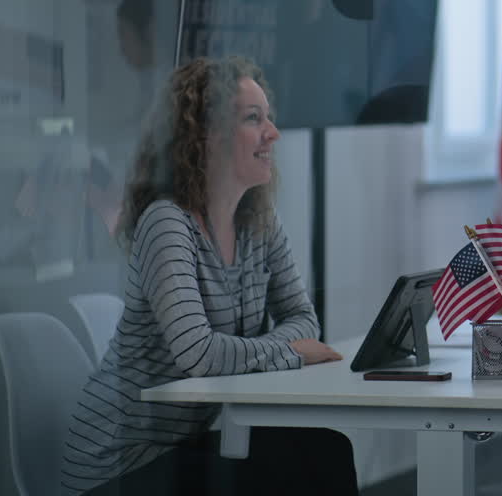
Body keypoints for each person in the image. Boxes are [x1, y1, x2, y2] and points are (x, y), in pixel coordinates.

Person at [61, 56, 358, 496]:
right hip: (119, 464)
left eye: (268, 118)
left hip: (179, 446)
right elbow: (196, 354)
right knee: (288, 472)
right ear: (206, 137)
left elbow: (303, 319)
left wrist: (290, 344)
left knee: (324, 449)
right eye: (253, 119)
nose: (272, 133)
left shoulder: (258, 218)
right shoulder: (167, 222)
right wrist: (293, 352)